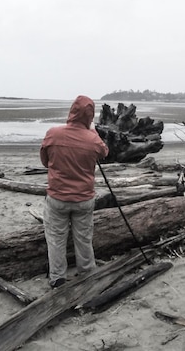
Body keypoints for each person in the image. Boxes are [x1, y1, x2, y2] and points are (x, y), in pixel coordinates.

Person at [40, 95, 109, 288]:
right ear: (90, 116)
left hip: (57, 197)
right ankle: (86, 273)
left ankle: (57, 278)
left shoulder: (53, 134)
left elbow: (45, 162)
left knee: (55, 239)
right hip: (84, 199)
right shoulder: (93, 139)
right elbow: (105, 153)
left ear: (72, 112)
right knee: (84, 239)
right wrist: (91, 132)